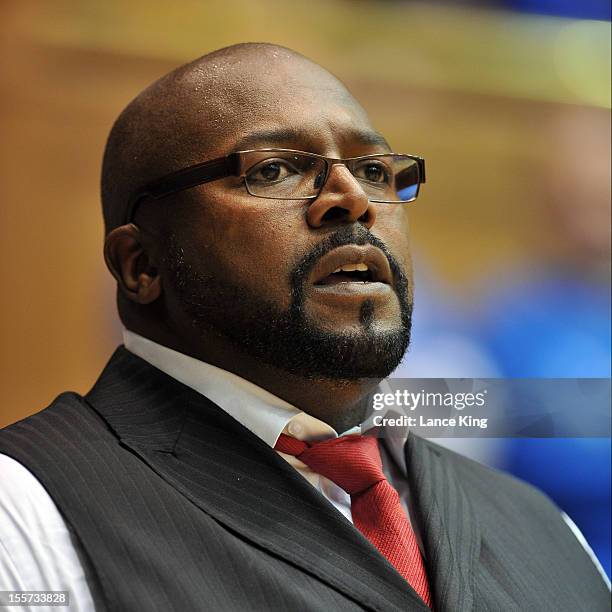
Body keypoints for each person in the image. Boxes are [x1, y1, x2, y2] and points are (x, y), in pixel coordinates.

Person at [0, 43, 608, 612]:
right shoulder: (27, 514)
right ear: (142, 264)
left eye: (374, 170)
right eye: (273, 170)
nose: (352, 198)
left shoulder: (544, 527)